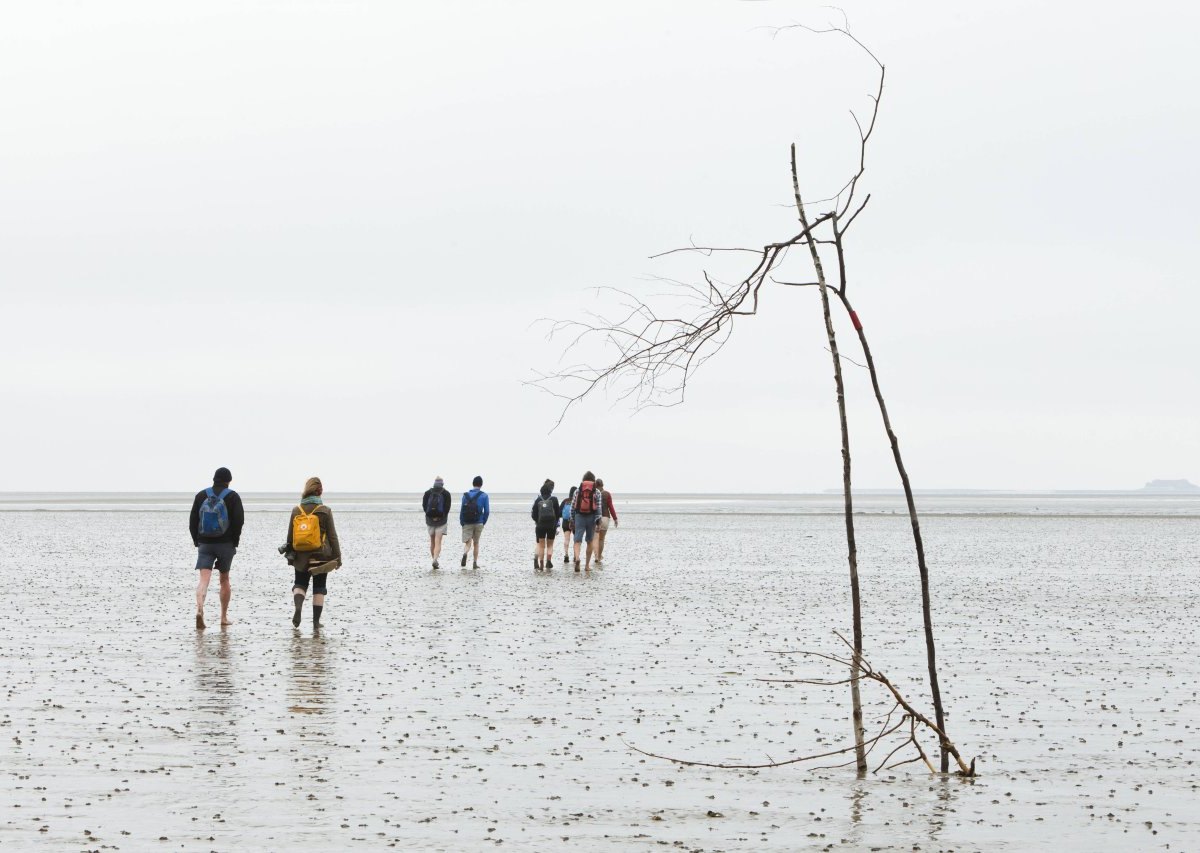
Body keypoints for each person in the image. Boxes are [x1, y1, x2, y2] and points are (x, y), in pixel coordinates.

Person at [189, 466, 245, 630]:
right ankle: (223, 617)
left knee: (203, 580)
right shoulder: (233, 496)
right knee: (224, 579)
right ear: (229, 481)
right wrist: (234, 542)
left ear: (214, 479)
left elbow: (193, 520)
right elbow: (239, 521)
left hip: (205, 543)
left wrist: (197, 541)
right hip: (225, 544)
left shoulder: (201, 495)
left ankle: (200, 609)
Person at [286, 477, 342, 629]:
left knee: (300, 583)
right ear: (320, 492)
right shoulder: (325, 510)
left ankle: (298, 608)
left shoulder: (297, 510)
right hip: (321, 556)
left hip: (301, 555)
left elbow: (290, 536)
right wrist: (338, 557)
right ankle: (316, 622)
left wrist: (290, 555)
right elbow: (332, 536)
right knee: (319, 586)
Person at [571, 471, 601, 572]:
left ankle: (577, 559)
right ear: (593, 480)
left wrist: (572, 519)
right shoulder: (597, 491)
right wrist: (598, 522)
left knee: (577, 540)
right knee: (590, 541)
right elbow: (598, 508)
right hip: (591, 517)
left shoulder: (577, 490)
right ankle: (587, 565)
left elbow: (572, 506)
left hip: (579, 516)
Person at [459, 475, 490, 569]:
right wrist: (483, 522)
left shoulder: (465, 495)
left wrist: (462, 522)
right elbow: (487, 511)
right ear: (481, 484)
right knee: (476, 543)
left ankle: (465, 553)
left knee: (468, 542)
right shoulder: (484, 495)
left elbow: (461, 510)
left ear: (473, 484)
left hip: (467, 522)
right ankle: (475, 563)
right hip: (479, 522)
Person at [530, 479, 560, 571]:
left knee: (541, 545)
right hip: (551, 525)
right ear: (551, 490)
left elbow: (533, 514)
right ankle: (548, 561)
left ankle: (541, 564)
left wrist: (537, 521)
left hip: (540, 526)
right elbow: (558, 513)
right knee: (550, 545)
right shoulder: (554, 499)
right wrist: (555, 523)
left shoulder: (538, 499)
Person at [422, 476, 450, 569]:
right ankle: (435, 559)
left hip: (430, 520)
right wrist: (440, 517)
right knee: (438, 541)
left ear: (434, 483)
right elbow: (447, 508)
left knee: (432, 541)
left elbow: (424, 506)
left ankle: (434, 560)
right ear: (442, 484)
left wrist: (430, 515)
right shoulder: (446, 493)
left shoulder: (427, 493)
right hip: (441, 521)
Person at [594, 478, 619, 564]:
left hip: (595, 518)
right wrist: (615, 518)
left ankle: (596, 556)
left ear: (595, 485)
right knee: (601, 539)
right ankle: (599, 556)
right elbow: (610, 507)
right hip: (605, 518)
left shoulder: (594, 494)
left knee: (595, 538)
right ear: (603, 485)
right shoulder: (607, 494)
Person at [560, 485, 577, 565]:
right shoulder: (577, 500)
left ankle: (566, 555)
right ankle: (575, 556)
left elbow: (559, 512)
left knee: (567, 539)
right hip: (575, 521)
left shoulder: (565, 501)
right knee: (575, 540)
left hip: (566, 522)